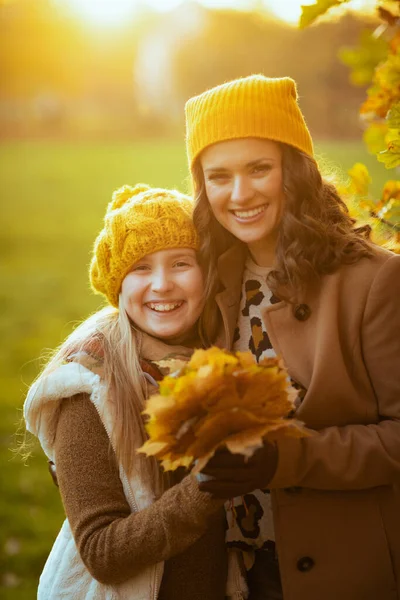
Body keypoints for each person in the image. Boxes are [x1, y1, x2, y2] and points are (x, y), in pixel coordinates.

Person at [184, 74, 400, 600]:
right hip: (233, 568)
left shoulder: (374, 281)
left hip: (344, 568)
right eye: (219, 176)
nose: (240, 194)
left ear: (295, 170)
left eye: (260, 168)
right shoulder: (207, 279)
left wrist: (287, 458)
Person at [23, 184, 231, 600]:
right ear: (117, 285)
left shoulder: (225, 358)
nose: (162, 284)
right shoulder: (90, 388)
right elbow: (102, 551)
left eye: (180, 263)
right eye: (140, 267)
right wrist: (209, 484)